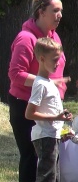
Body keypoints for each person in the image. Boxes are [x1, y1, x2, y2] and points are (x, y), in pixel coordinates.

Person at [8, 0, 70, 182]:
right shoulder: (26, 39)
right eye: (55, 10)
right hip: (26, 107)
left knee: (50, 160)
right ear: (41, 12)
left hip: (50, 108)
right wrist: (48, 83)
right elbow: (16, 74)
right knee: (32, 158)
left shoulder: (55, 38)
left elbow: (57, 72)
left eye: (61, 10)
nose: (59, 15)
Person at [25, 37, 73, 182]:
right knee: (47, 177)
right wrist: (57, 118)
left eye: (58, 59)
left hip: (52, 135)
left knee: (54, 176)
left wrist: (61, 121)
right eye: (54, 60)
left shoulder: (48, 82)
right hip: (45, 137)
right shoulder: (40, 84)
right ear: (41, 59)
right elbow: (29, 113)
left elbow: (49, 108)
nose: (57, 64)